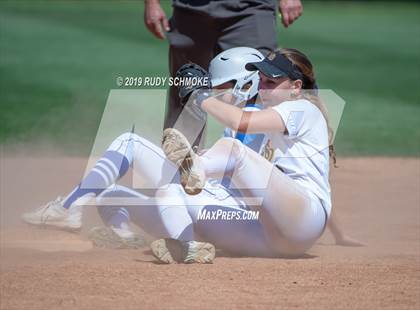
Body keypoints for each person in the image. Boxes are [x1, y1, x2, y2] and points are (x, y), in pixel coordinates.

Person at [144, 0, 303, 146]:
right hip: (190, 8)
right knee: (187, 93)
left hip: (251, 7)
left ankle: (265, 167)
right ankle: (181, 170)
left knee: (262, 89)